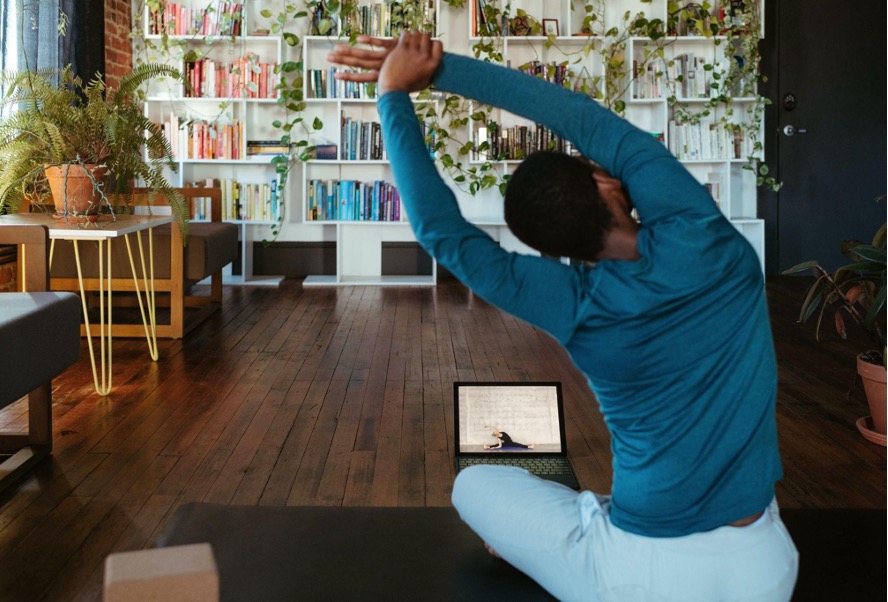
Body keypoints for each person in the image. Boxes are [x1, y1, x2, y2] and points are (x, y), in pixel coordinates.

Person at [328, 32, 798, 602]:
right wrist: (431, 70)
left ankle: (571, 527)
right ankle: (584, 518)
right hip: (766, 569)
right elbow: (580, 116)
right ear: (603, 181)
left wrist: (391, 97)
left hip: (641, 575)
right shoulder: (707, 239)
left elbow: (441, 234)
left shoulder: (578, 304)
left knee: (475, 484)